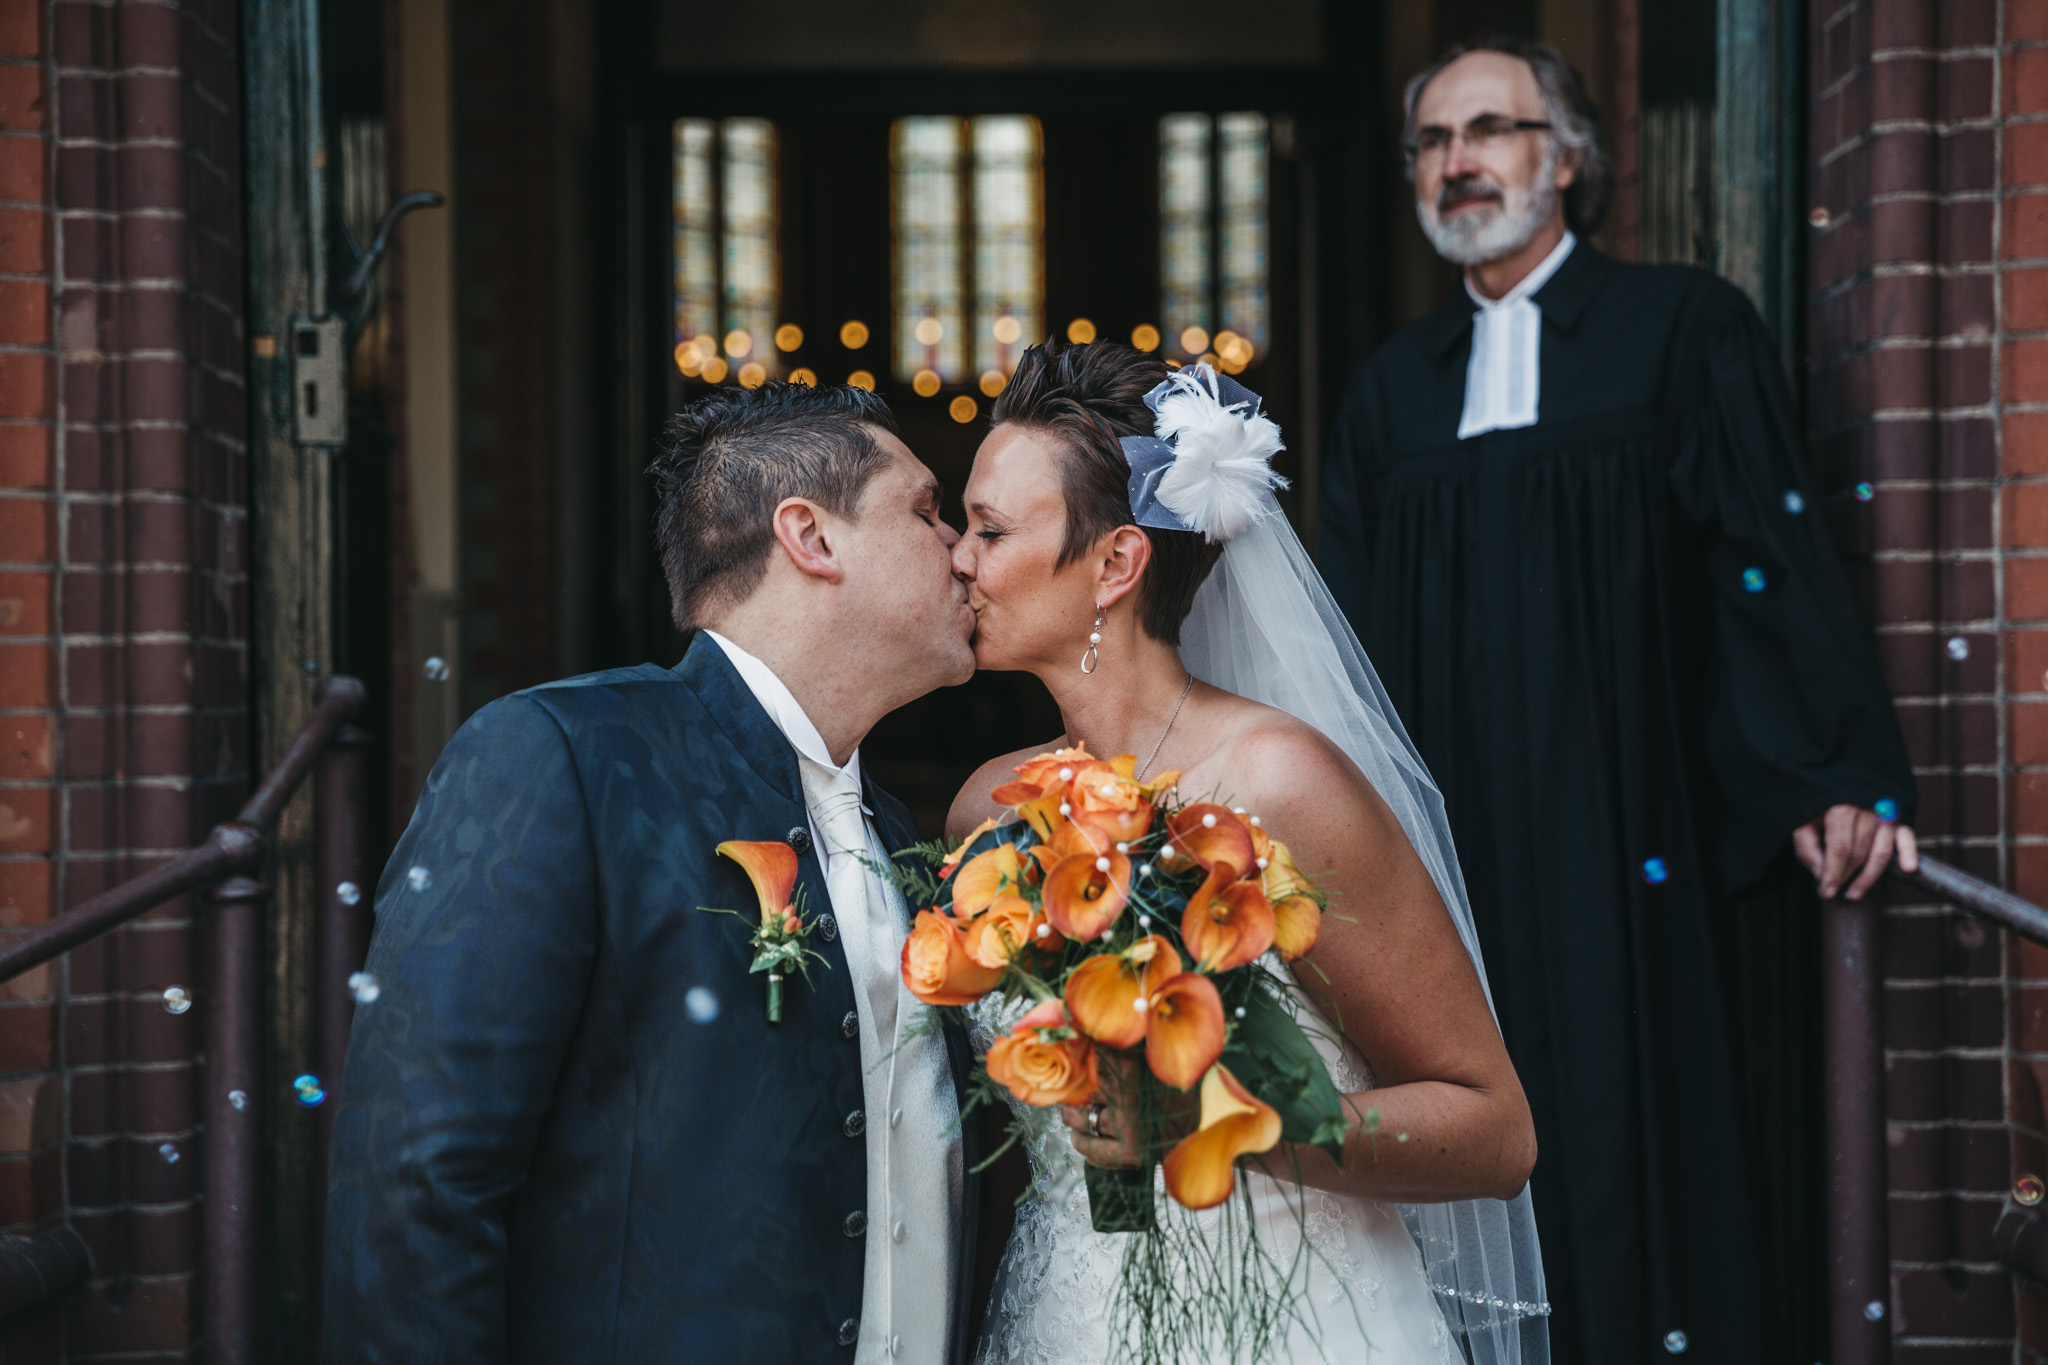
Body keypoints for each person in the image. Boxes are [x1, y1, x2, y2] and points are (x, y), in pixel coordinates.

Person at [1316, 38, 1919, 1364]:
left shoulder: (1684, 329)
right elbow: (1343, 655)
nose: (1456, 162)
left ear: (1569, 156)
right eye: (1432, 140)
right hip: (1451, 865)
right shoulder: (1388, 394)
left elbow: (1763, 560)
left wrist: (1833, 769)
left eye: (1490, 130)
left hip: (1629, 845)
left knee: (1637, 1134)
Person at [324, 383, 984, 1363]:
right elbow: (415, 1181)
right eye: (928, 512)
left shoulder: (895, 832)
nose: (964, 553)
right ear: (810, 537)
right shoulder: (562, 759)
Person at [948, 338, 1549, 1364]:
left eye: (988, 529)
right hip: (1062, 1320)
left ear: (1115, 565)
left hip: (1294, 1327)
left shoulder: (1279, 784)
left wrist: (1223, 1118)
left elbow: (1494, 1134)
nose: (956, 558)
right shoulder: (983, 813)